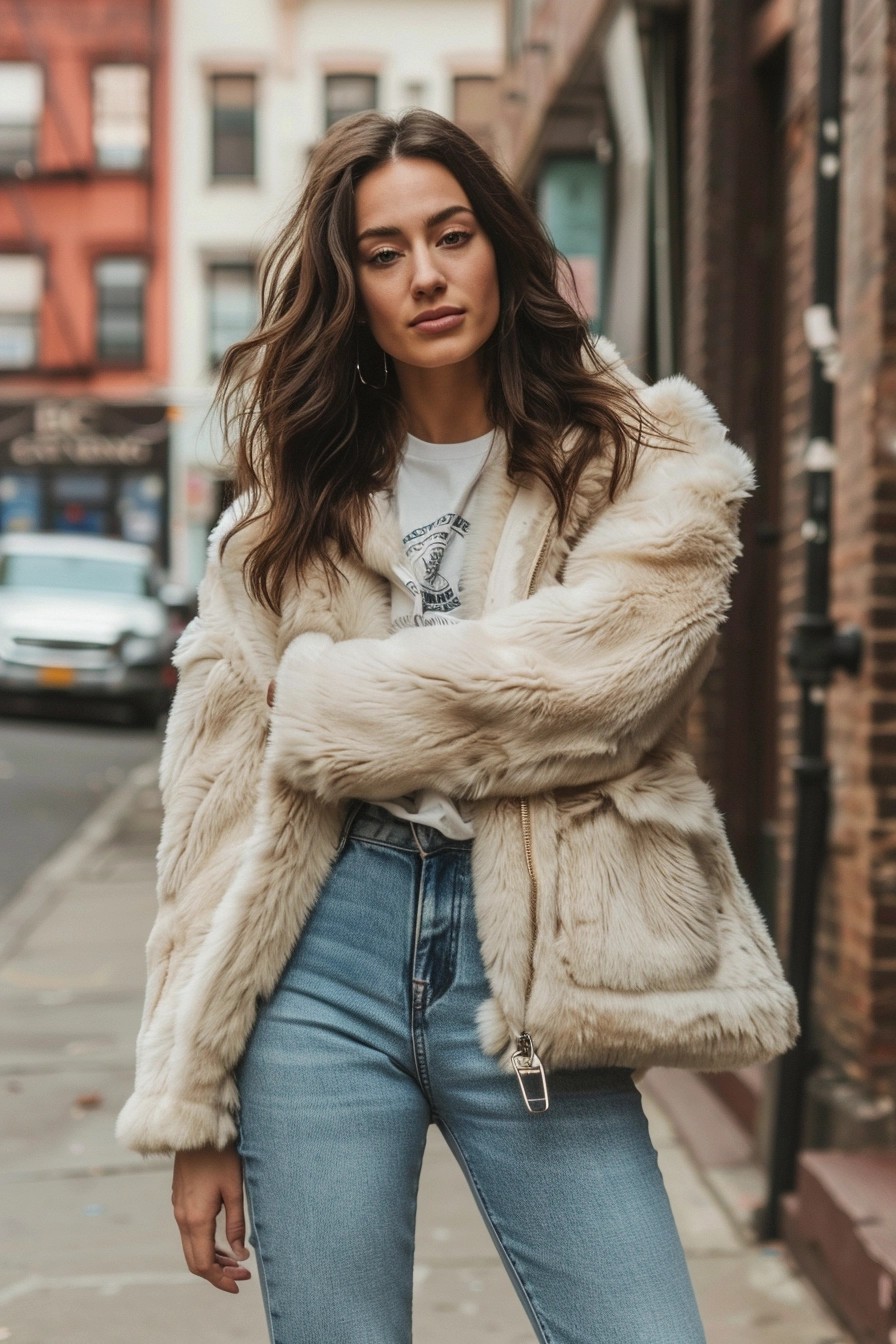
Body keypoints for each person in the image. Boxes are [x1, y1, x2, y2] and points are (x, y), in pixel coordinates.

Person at [117, 108, 799, 1344]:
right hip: (318, 959)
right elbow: (213, 802)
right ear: (352, 286)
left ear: (503, 249)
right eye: (384, 252)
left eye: (452, 234)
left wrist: (318, 702)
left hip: (530, 957)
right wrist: (192, 1101)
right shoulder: (292, 497)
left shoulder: (638, 449)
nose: (426, 275)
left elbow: (598, 688)